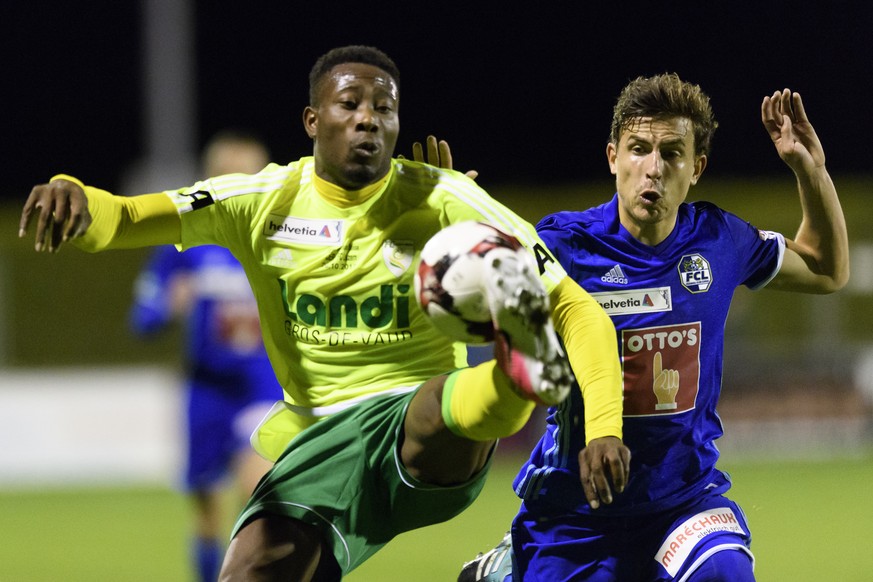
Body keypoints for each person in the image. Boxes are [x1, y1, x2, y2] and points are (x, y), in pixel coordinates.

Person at [18, 46, 630, 581]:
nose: (369, 117)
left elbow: (576, 306)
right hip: (320, 449)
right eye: (350, 104)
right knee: (252, 570)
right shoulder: (259, 200)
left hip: (425, 432)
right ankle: (503, 531)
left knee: (428, 410)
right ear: (313, 120)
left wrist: (604, 426)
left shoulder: (446, 199)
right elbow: (125, 216)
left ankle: (516, 370)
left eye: (384, 109)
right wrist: (76, 194)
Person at [458, 75, 849, 581]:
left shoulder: (720, 239)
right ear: (613, 157)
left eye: (671, 153)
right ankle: (508, 565)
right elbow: (471, 301)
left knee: (724, 573)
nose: (653, 169)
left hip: (682, 505)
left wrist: (810, 170)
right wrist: (452, 231)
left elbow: (826, 269)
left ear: (697, 168)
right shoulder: (563, 246)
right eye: (639, 150)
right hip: (576, 512)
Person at [128, 130, 278, 582]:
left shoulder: (280, 238)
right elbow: (142, 318)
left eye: (253, 176)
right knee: (207, 515)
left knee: (257, 495)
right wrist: (166, 305)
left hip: (262, 386)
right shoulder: (183, 243)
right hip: (205, 391)